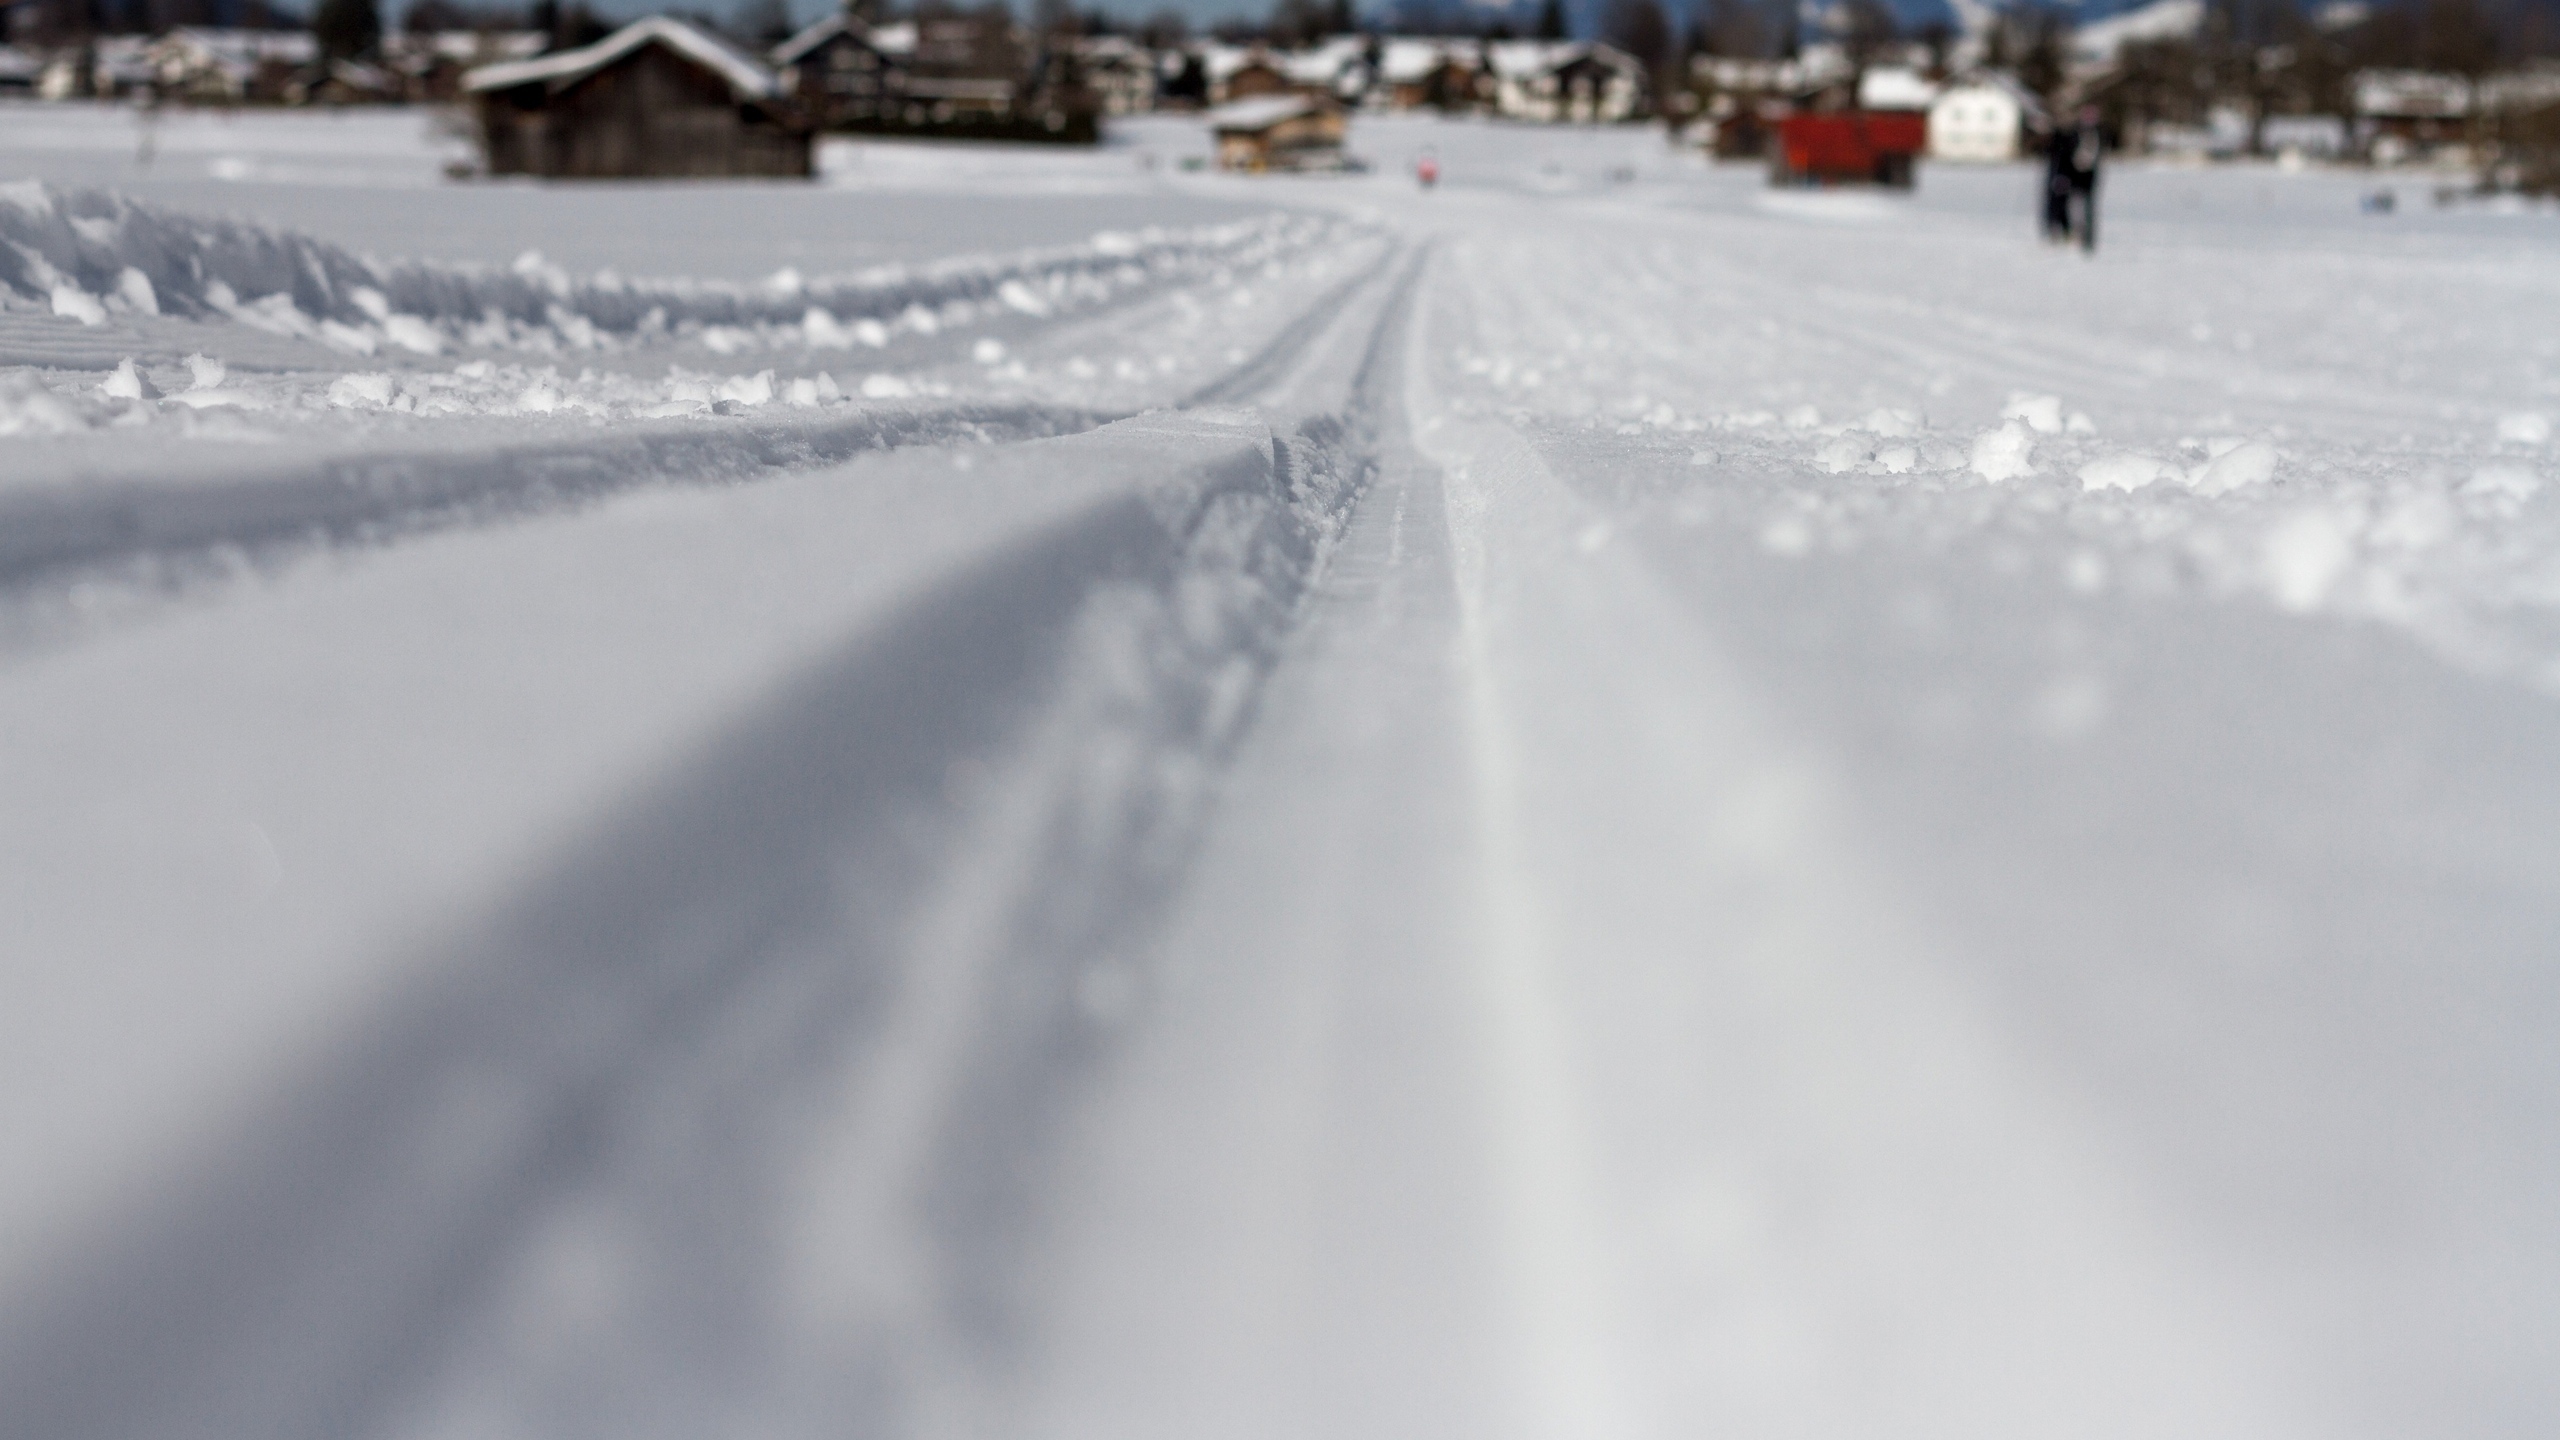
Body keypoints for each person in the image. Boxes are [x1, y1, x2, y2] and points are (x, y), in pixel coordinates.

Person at [2044, 105, 2104, 252]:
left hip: (2089, 178)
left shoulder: (2099, 133)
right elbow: (2065, 155)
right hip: (2074, 177)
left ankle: (2087, 238)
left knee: (2086, 209)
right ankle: (2072, 234)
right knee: (2073, 207)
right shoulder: (2074, 133)